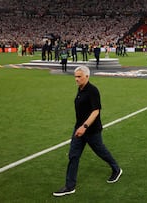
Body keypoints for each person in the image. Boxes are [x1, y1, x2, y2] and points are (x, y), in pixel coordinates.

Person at [53, 66, 122, 197]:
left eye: (79, 76)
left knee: (101, 152)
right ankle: (69, 186)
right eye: (75, 76)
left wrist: (84, 126)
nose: (76, 79)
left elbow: (96, 111)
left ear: (87, 76)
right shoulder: (80, 89)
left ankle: (116, 169)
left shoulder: (92, 91)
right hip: (79, 129)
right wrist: (79, 127)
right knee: (73, 155)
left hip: (91, 130)